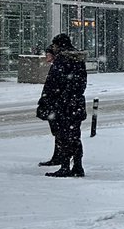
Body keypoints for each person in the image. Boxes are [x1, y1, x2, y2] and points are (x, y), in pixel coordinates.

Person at [37, 34, 88, 178]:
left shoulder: (62, 61)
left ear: (58, 45)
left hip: (64, 105)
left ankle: (65, 166)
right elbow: (79, 83)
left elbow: (54, 84)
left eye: (54, 45)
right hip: (75, 104)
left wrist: (54, 100)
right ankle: (77, 166)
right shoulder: (77, 60)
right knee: (74, 136)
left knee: (64, 136)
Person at [35, 46, 63, 166]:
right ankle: (59, 155)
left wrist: (47, 100)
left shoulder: (58, 67)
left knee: (59, 132)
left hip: (55, 104)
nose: (46, 56)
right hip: (54, 103)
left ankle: (60, 156)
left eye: (48, 54)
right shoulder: (56, 66)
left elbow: (52, 87)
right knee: (58, 132)